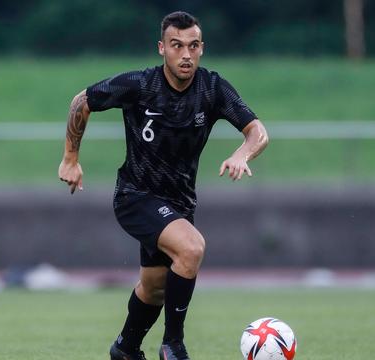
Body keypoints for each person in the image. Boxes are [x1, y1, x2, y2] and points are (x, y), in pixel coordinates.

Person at [58, 11, 269, 360]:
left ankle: (125, 348)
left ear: (202, 48)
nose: (185, 54)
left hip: (179, 204)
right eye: (177, 46)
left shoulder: (213, 88)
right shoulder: (140, 85)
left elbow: (258, 131)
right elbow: (82, 101)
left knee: (154, 289)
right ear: (162, 48)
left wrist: (243, 154)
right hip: (135, 196)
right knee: (191, 248)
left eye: (193, 46)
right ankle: (174, 346)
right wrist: (70, 157)